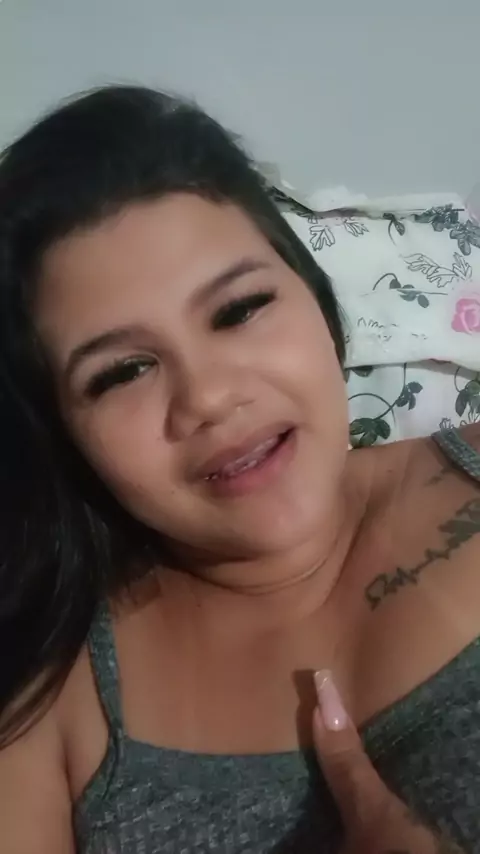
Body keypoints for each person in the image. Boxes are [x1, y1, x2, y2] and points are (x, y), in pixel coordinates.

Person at [0, 85, 477, 853]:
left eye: (239, 309)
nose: (211, 398)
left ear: (316, 301)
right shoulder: (44, 708)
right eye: (122, 372)